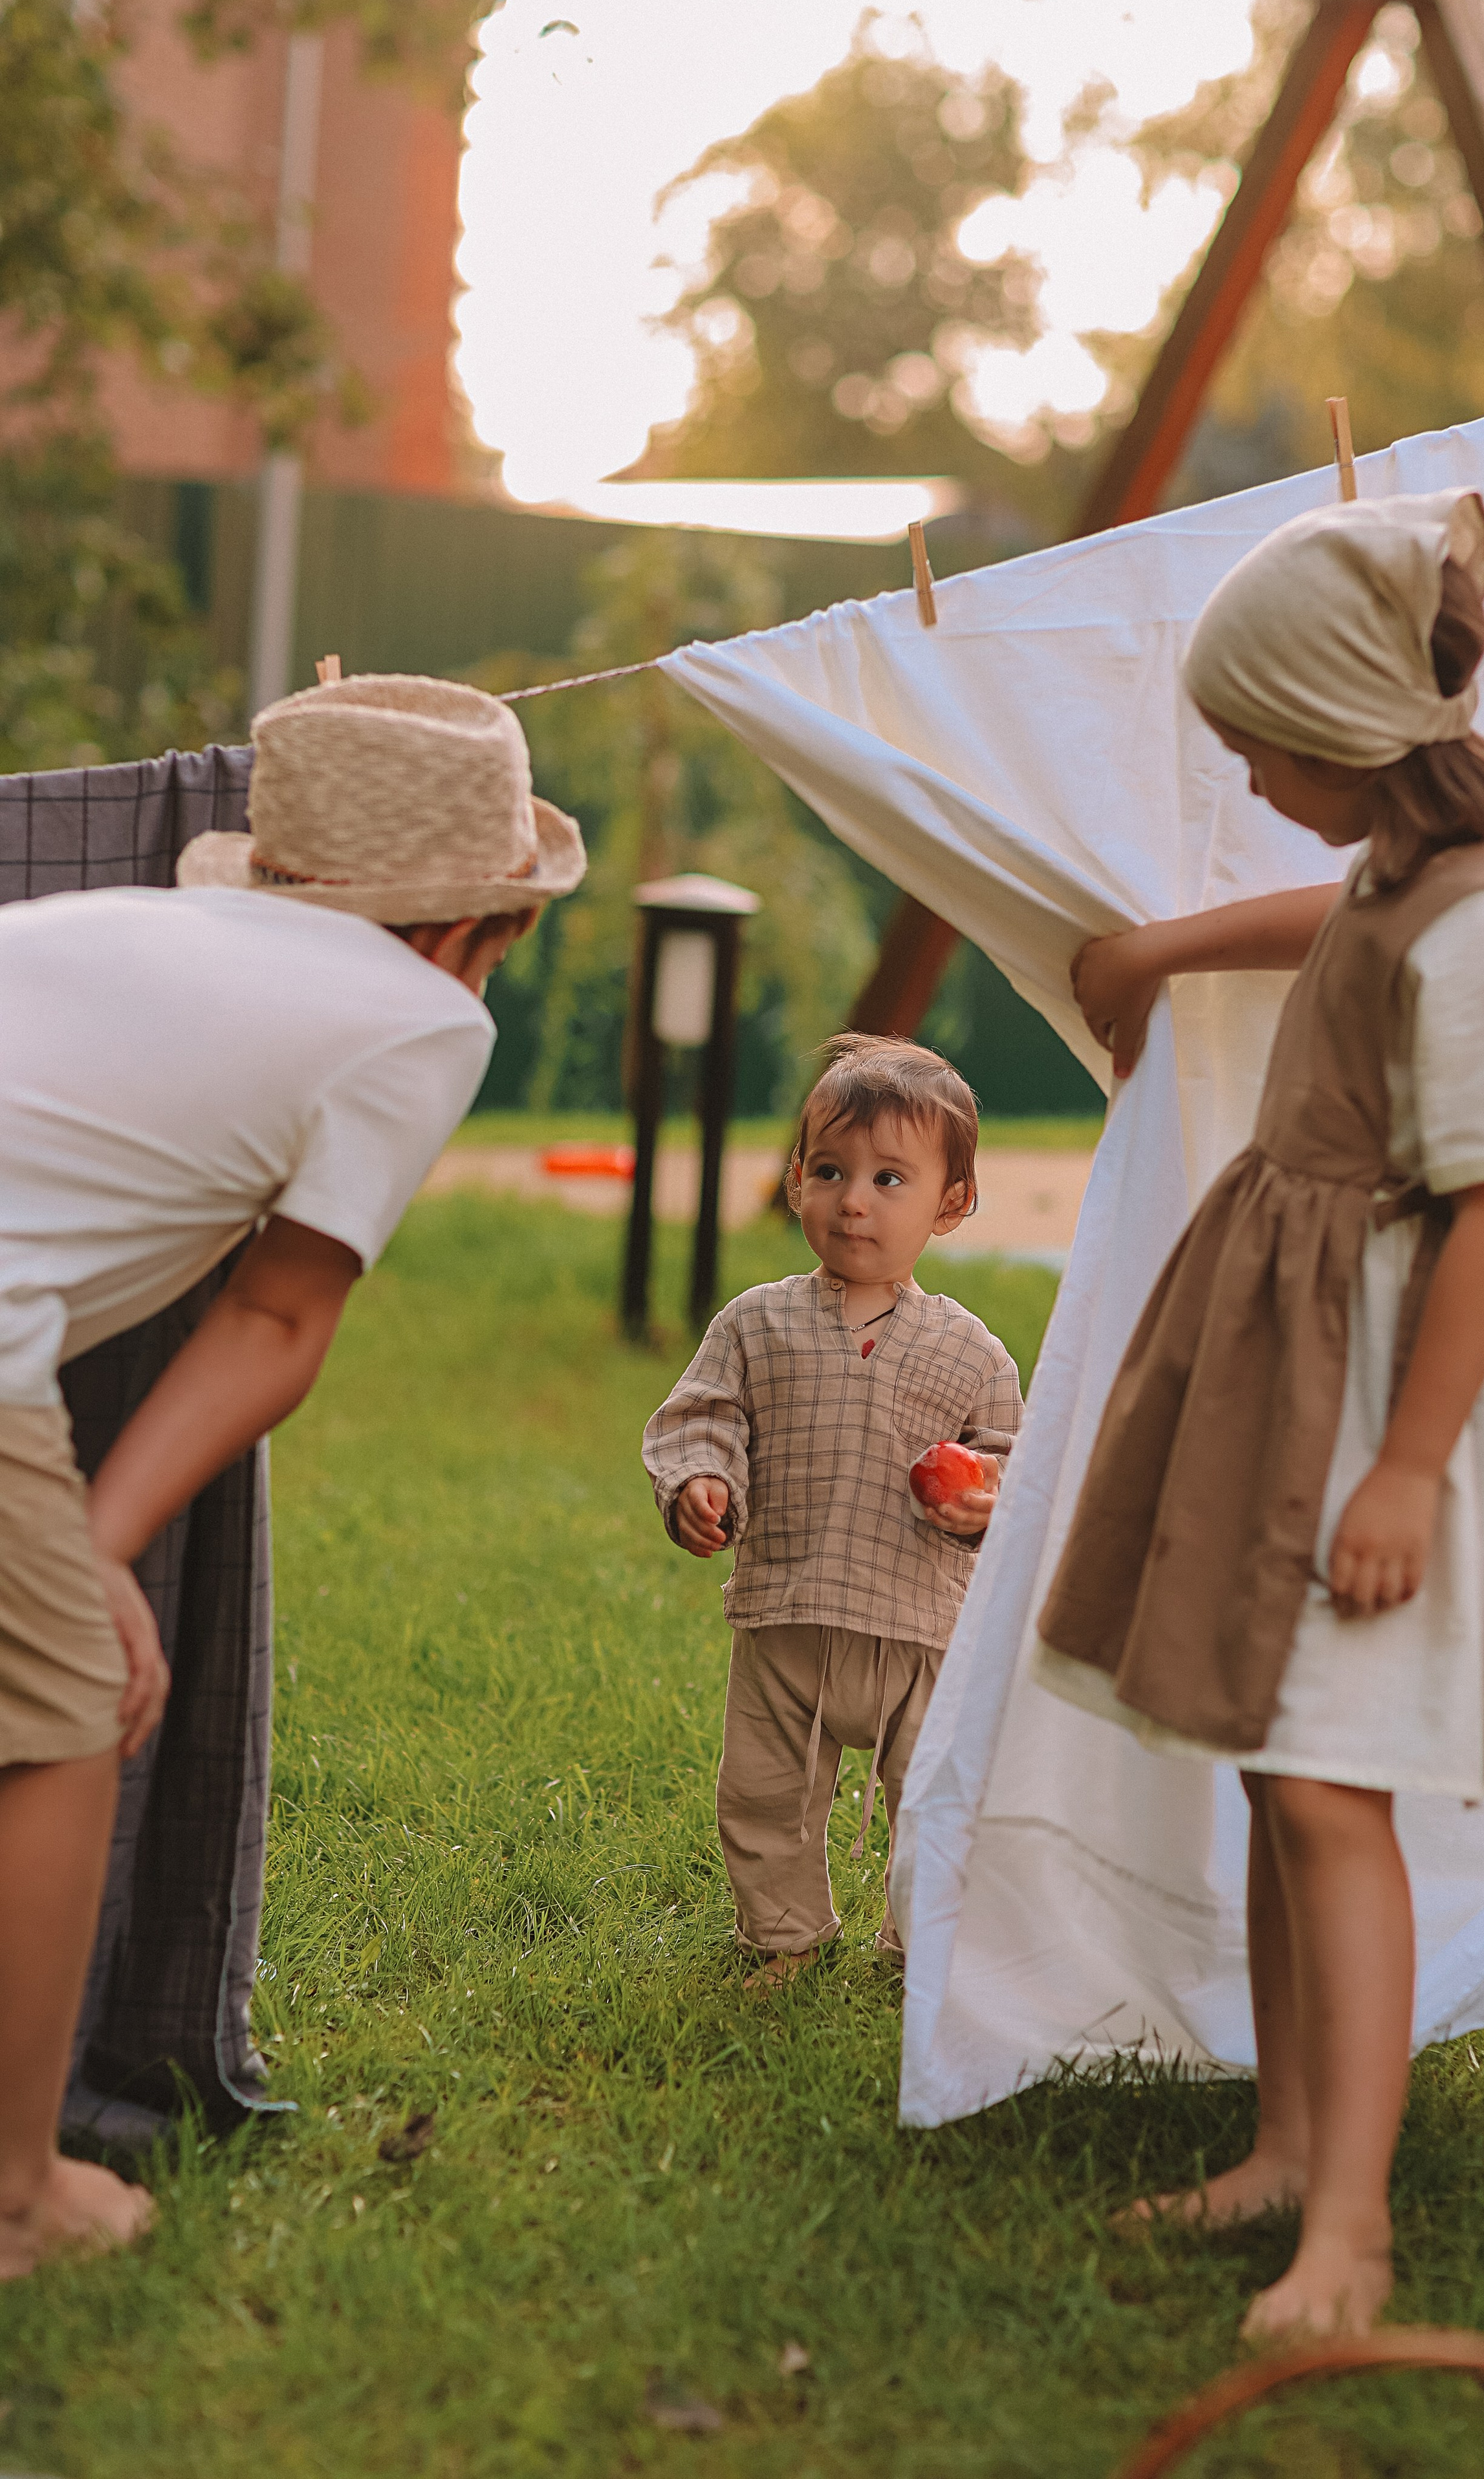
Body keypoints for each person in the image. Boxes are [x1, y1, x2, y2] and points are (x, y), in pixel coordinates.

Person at [1037, 492, 1484, 2340]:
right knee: (1283, 1769)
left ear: (1351, 728)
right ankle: (1285, 2148)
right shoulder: (1401, 876)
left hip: (1380, 1414)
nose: (1249, 773)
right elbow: (1334, 916)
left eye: (1261, 744)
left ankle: (1348, 2228)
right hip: (1301, 1380)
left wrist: (1411, 1474)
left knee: (1337, 1790)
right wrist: (1161, 948)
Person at [0, 673, 585, 2280]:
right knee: (55, 1725)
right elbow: (276, 1310)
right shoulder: (418, 1018)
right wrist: (103, 1556)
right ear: (472, 925)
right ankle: (16, 2195)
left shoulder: (114, 931)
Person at [643, 1036, 1023, 1988]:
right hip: (787, 1614)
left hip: (918, 1625)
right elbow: (705, 1416)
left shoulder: (971, 1354)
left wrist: (984, 1499)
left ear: (951, 1204)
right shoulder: (755, 1324)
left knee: (933, 1798)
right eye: (830, 1171)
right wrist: (700, 1482)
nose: (854, 1198)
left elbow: (1015, 1465)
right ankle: (785, 1935)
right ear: (795, 1185)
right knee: (766, 1793)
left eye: (890, 1177)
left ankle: (925, 1942)